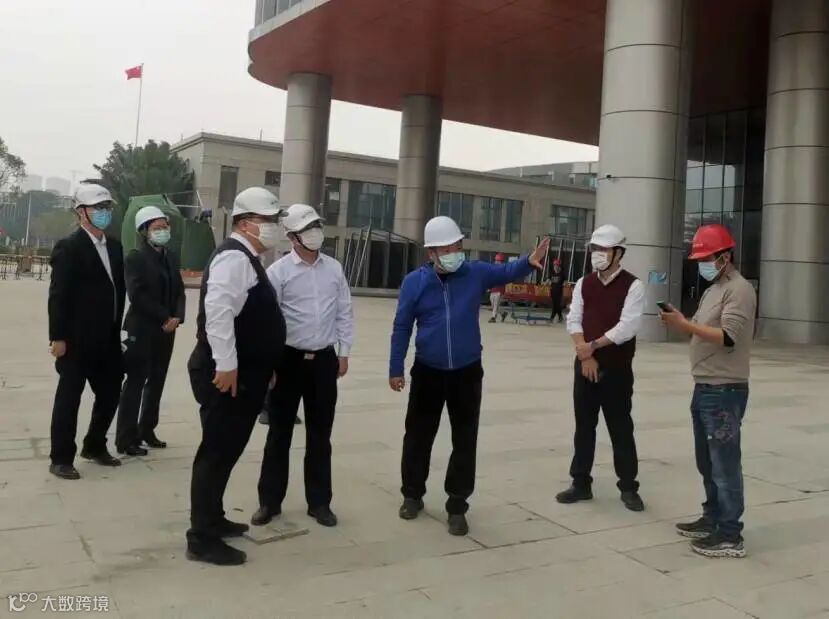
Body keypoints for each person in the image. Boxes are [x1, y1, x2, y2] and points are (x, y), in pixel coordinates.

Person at [390, 216, 549, 536]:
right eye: (447, 249)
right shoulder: (414, 283)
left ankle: (457, 505)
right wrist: (396, 367)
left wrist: (528, 262)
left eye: (457, 246)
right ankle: (412, 494)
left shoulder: (474, 273)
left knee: (464, 439)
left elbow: (505, 272)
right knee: (418, 435)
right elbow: (402, 325)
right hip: (428, 371)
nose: (454, 253)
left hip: (466, 372)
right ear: (431, 253)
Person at [186, 187, 286, 566]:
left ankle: (214, 517)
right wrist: (227, 365)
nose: (274, 227)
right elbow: (219, 313)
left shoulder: (247, 258)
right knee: (215, 454)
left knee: (226, 452)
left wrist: (265, 367)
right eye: (268, 220)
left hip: (245, 374)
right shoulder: (234, 258)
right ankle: (201, 539)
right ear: (245, 224)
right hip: (227, 376)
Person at [252, 204, 353, 529]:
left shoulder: (334, 269)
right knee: (279, 433)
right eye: (308, 228)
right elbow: (268, 320)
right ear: (293, 237)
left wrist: (344, 351)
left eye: (317, 226)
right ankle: (269, 502)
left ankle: (319, 503)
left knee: (321, 435)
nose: (315, 233)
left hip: (323, 360)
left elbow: (344, 311)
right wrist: (269, 363)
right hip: (288, 360)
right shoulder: (279, 272)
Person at [661, 224, 755, 559]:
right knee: (707, 461)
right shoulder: (713, 290)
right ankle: (712, 516)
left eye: (707, 258)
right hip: (704, 386)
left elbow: (729, 336)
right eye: (699, 258)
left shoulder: (739, 290)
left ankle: (730, 534)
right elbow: (701, 330)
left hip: (724, 389)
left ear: (725, 257)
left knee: (724, 464)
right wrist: (682, 322)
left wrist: (685, 325)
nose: (702, 264)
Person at [556, 224, 645, 512]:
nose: (598, 254)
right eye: (595, 249)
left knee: (620, 427)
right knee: (584, 426)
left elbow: (627, 327)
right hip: (585, 365)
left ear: (618, 253)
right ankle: (580, 483)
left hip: (616, 368)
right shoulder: (584, 283)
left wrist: (592, 347)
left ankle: (628, 487)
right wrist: (585, 355)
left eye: (604, 249)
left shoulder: (633, 285)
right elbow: (574, 319)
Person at [47, 184, 126, 480]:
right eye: (98, 208)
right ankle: (61, 458)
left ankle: (94, 444)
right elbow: (58, 295)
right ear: (81, 212)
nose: (105, 213)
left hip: (108, 339)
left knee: (111, 392)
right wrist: (58, 337)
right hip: (76, 340)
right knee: (69, 399)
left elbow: (118, 290)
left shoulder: (114, 247)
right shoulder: (69, 247)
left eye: (107, 208)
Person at [116, 206, 185, 456]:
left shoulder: (171, 257)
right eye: (157, 228)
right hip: (142, 328)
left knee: (157, 380)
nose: (163, 231)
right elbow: (137, 295)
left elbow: (179, 291)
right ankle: (126, 438)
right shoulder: (135, 258)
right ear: (144, 231)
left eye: (165, 227)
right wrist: (165, 316)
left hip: (167, 330)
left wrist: (177, 317)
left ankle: (147, 429)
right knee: (136, 381)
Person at [487, 253, 506, 323]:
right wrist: (489, 287)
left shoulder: (503, 270)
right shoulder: (493, 269)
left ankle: (493, 318)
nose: (497, 262)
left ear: (502, 262)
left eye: (499, 261)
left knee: (495, 305)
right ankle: (503, 313)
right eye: (496, 260)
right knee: (493, 306)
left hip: (499, 290)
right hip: (493, 290)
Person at [549, 258, 565, 323]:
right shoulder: (552, 273)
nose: (555, 267)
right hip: (552, 291)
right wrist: (546, 282)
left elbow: (565, 281)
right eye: (554, 266)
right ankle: (560, 317)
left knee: (556, 305)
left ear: (559, 266)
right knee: (555, 305)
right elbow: (548, 279)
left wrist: (565, 283)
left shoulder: (562, 274)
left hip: (559, 292)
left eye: (556, 266)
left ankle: (551, 318)